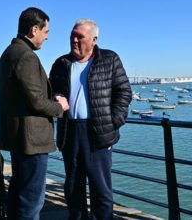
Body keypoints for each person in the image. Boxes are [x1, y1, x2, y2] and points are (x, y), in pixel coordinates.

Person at [49, 18, 132, 219]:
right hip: (70, 132)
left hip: (100, 133)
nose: (74, 40)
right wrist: (55, 97)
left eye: (80, 37)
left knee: (101, 191)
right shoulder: (61, 63)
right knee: (73, 188)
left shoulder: (110, 59)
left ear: (94, 39)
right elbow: (50, 92)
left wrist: (113, 122)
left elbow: (124, 93)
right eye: (72, 36)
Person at [0, 7, 69, 220]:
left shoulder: (9, 53)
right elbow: (36, 101)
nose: (47, 37)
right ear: (34, 29)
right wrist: (60, 107)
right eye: (46, 32)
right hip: (32, 141)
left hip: (18, 138)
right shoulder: (26, 56)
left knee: (18, 194)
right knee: (32, 200)